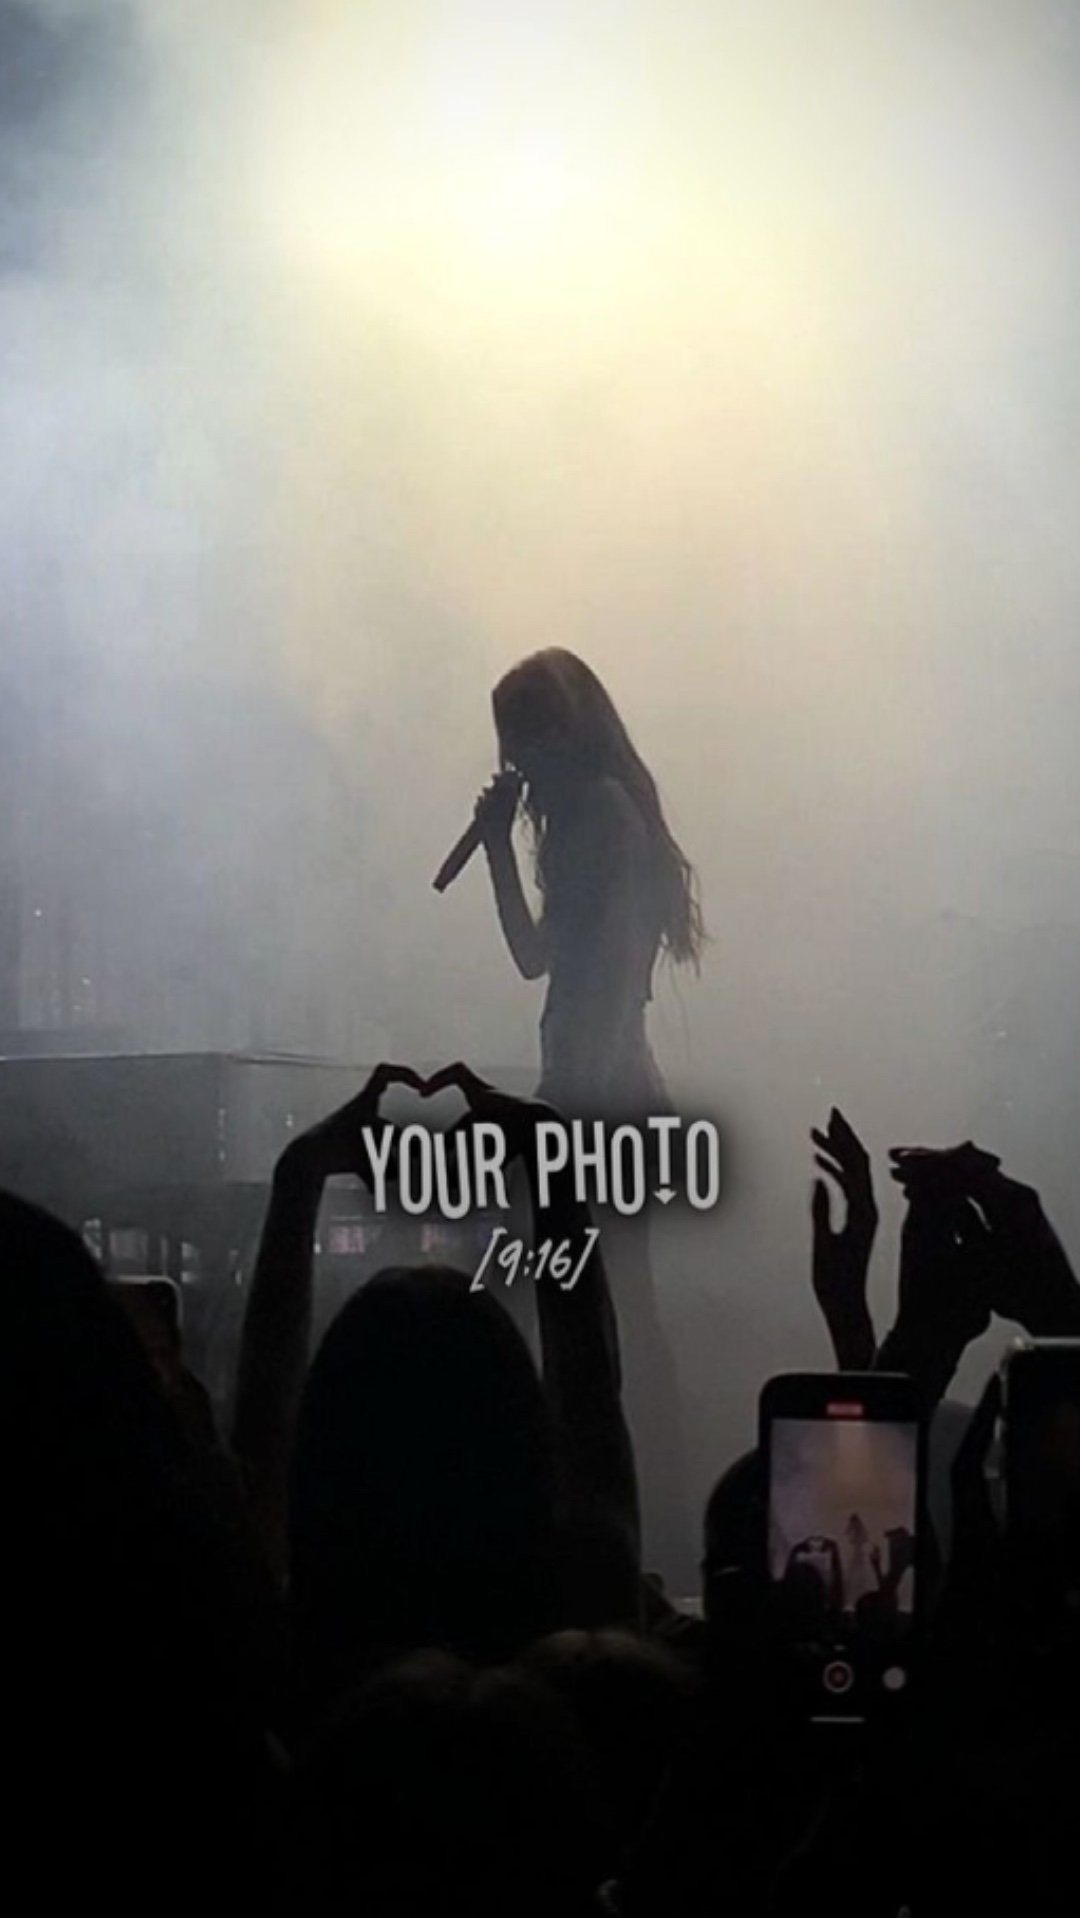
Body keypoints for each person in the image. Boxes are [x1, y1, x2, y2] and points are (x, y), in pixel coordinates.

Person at [472, 649, 704, 1589]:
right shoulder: (581, 819)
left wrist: (566, 1120)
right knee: (605, 1313)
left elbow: (603, 985)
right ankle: (631, 1522)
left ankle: (636, 1527)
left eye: (528, 739)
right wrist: (497, 846)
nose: (520, 762)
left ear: (566, 731)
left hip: (602, 1099)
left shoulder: (604, 816)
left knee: (597, 1315)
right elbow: (536, 959)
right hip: (594, 1092)